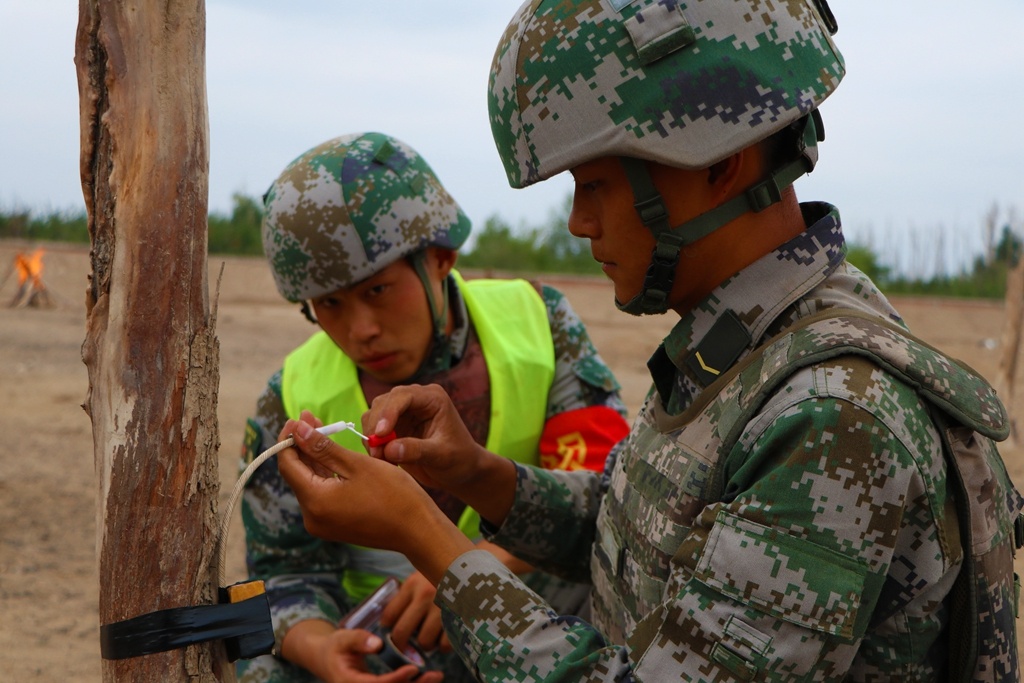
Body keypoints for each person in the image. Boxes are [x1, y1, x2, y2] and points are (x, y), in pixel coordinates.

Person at [273, 2, 1024, 682]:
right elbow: (643, 525)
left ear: (715, 163)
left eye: (593, 185)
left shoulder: (833, 415)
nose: (579, 222)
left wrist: (422, 531)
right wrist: (481, 475)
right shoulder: (747, 346)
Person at [238, 131, 630, 683]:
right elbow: (284, 574)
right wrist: (328, 652)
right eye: (329, 303)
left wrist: (472, 563)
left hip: (531, 630)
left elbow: (606, 500)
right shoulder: (290, 392)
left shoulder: (537, 323)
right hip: (383, 647)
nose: (361, 330)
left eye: (377, 291)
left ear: (441, 259)